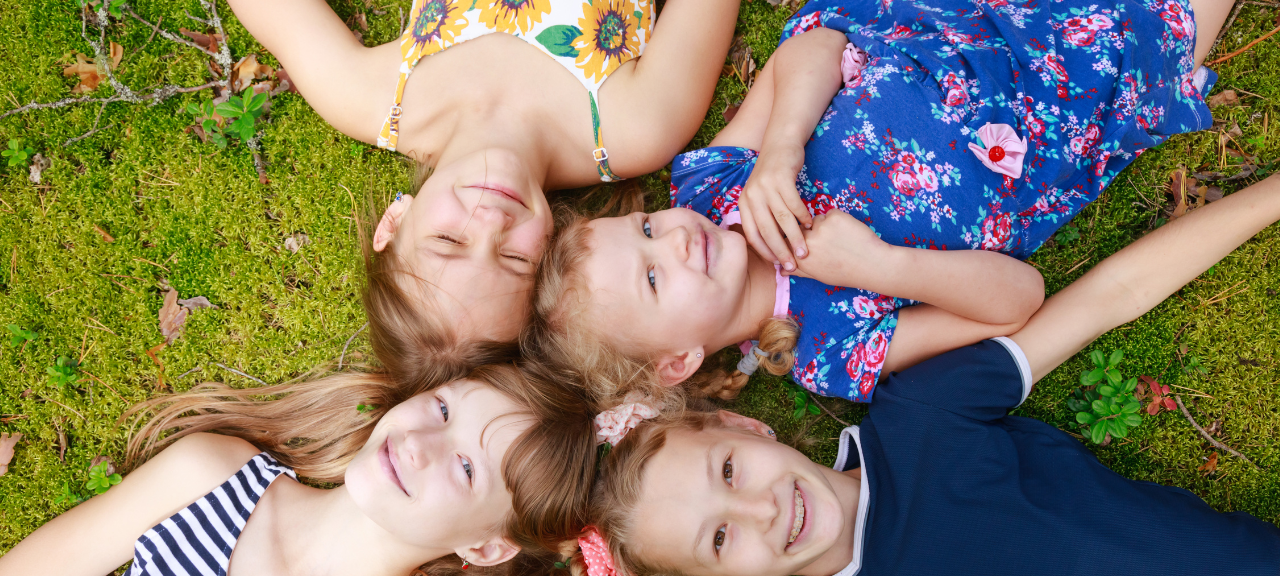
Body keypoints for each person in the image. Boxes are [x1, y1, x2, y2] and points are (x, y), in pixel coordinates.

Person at [576, 173, 1280, 576]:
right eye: (720, 542)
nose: (759, 511)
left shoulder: (919, 418)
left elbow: (1108, 299)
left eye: (729, 472)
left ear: (743, 423)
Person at [526, 0, 1232, 401]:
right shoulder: (824, 349)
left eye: (646, 227)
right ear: (677, 361)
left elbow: (815, 46)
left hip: (966, 25)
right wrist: (878, 267)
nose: (673, 240)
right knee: (1169, 24)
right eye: (654, 277)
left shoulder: (712, 191)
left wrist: (781, 147)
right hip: (1067, 98)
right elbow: (1019, 299)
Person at [222, 0, 741, 363]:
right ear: (552, 256)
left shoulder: (368, 97)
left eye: (449, 240)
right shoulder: (635, 126)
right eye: (515, 259)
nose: (491, 221)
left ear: (394, 220)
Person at [0, 362, 595, 576]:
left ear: (486, 548)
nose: (419, 442)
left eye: (467, 467)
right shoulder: (210, 478)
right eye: (442, 407)